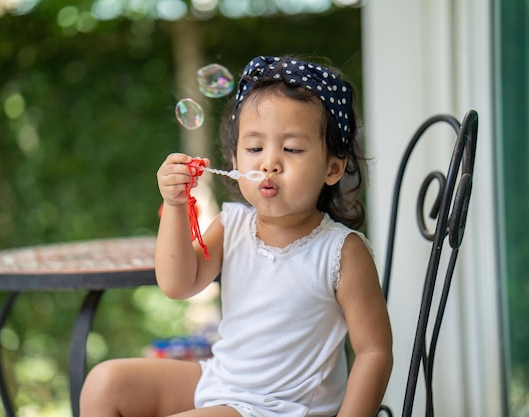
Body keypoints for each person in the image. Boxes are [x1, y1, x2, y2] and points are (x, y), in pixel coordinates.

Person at [80, 55, 393, 417]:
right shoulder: (233, 226)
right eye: (255, 148)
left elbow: (374, 351)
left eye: (291, 148)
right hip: (222, 381)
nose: (269, 163)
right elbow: (177, 284)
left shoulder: (340, 251)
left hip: (281, 408)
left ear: (333, 168)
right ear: (234, 162)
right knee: (104, 384)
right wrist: (176, 205)